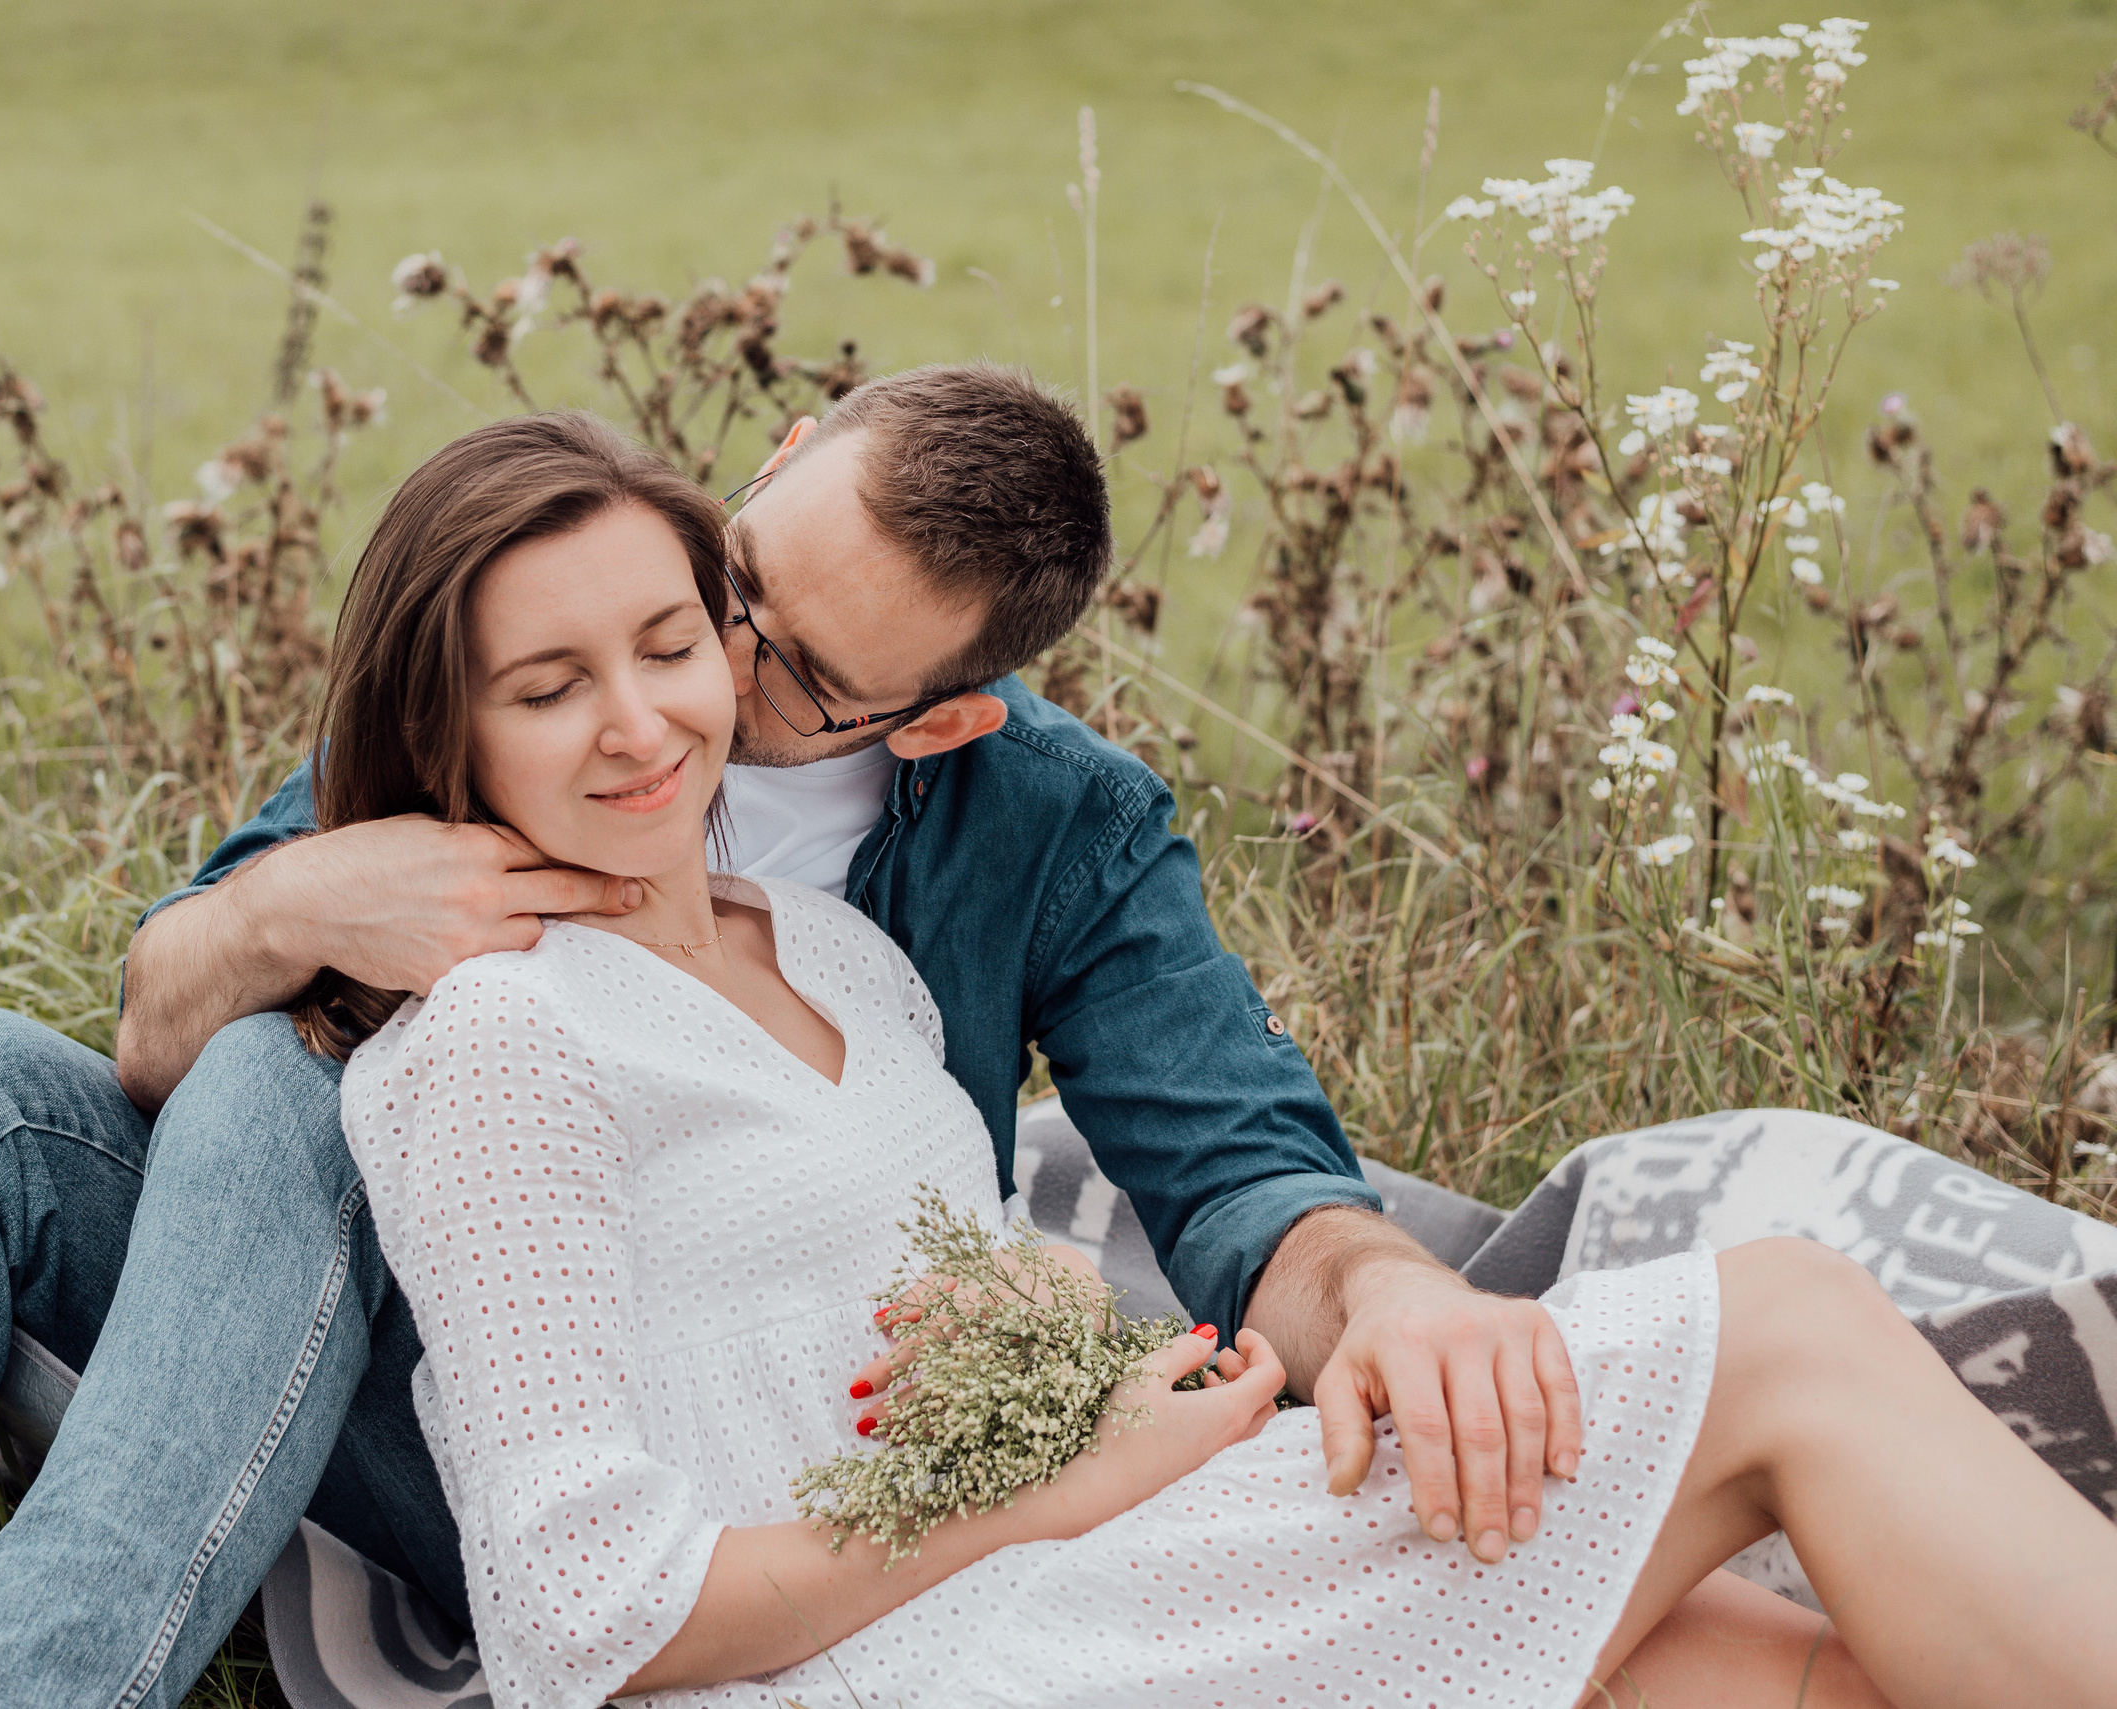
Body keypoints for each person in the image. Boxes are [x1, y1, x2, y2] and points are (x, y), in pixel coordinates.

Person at [0, 367, 1699, 1704]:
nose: (701, 677)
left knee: (278, 1074)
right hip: (367, 1312)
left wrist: (1381, 1285)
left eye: (788, 671)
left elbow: (1232, 1156)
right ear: (778, 450)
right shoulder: (570, 633)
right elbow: (163, 1025)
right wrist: (281, 904)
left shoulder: (1045, 825)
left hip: (645, 1454)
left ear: (941, 715)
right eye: (739, 586)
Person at [323, 409, 2117, 1708]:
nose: (669, 702)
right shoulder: (496, 1034)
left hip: (1074, 1549)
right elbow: (581, 1625)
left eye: (684, 645)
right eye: (553, 687)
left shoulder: (848, 961)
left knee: (1751, 1661)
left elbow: (1179, 1177)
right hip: (919, 1645)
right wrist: (1064, 1480)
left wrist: (1096, 1354)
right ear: (446, 713)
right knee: (1786, 1322)